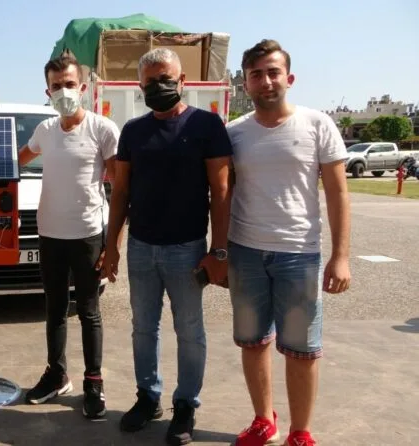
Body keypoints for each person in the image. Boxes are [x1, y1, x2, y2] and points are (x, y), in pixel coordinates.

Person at [103, 48, 233, 445]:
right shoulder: (133, 131)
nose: (159, 86)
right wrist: (112, 246)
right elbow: (120, 192)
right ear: (140, 86)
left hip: (187, 250)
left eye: (166, 79)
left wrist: (219, 251)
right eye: (151, 81)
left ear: (182, 81)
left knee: (189, 330)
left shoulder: (207, 125)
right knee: (143, 328)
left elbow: (221, 192)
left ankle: (186, 404)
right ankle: (148, 397)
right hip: (141, 248)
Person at [226, 39, 350, 446]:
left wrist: (341, 256)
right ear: (245, 83)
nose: (266, 81)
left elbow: (337, 193)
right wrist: (220, 251)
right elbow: (222, 193)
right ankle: (264, 420)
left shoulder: (317, 125)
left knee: (301, 348)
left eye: (273, 72)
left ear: (289, 78)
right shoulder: (234, 133)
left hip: (299, 255)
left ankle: (300, 432)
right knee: (252, 342)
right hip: (245, 253)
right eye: (256, 75)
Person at [17, 50, 119, 419]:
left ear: (84, 87)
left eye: (70, 84)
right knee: (55, 309)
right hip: (50, 235)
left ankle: (94, 381)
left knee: (89, 312)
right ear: (47, 91)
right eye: (56, 86)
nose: (63, 91)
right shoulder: (45, 131)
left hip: (88, 235)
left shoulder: (103, 129)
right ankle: (57, 375)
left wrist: (113, 244)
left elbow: (119, 188)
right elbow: (18, 158)